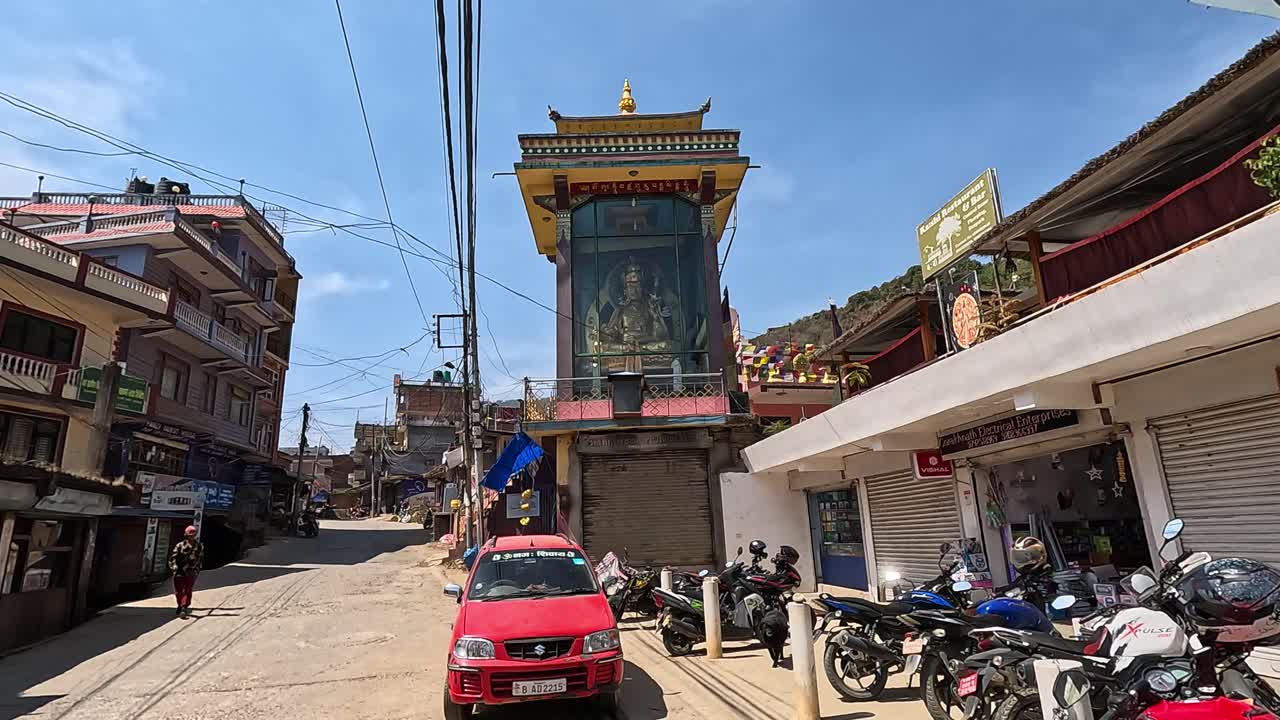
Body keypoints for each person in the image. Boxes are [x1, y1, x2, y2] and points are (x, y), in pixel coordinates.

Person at [169, 525, 203, 617]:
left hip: (191, 571)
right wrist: (174, 568)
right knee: (178, 591)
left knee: (187, 589)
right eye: (189, 535)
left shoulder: (199, 546)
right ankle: (179, 605)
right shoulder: (180, 545)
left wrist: (196, 569)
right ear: (186, 535)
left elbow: (199, 559)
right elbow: (173, 558)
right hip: (179, 571)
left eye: (193, 535)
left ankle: (184, 607)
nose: (191, 537)